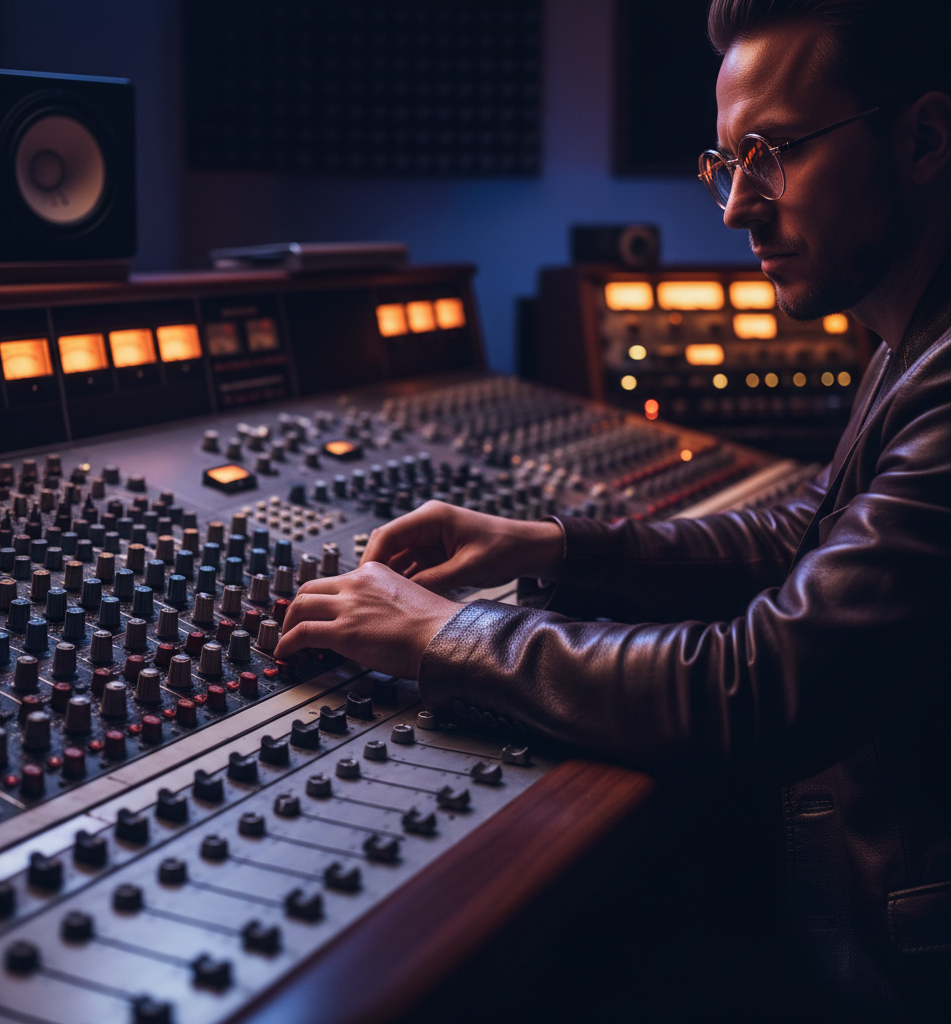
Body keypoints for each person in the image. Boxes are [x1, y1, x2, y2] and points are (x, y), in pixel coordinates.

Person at [276, 1, 950, 1018]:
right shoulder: (912, 338)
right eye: (727, 163)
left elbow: (760, 686)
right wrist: (550, 545)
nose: (736, 207)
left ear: (924, 139)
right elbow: (796, 533)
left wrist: (447, 636)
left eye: (773, 153)